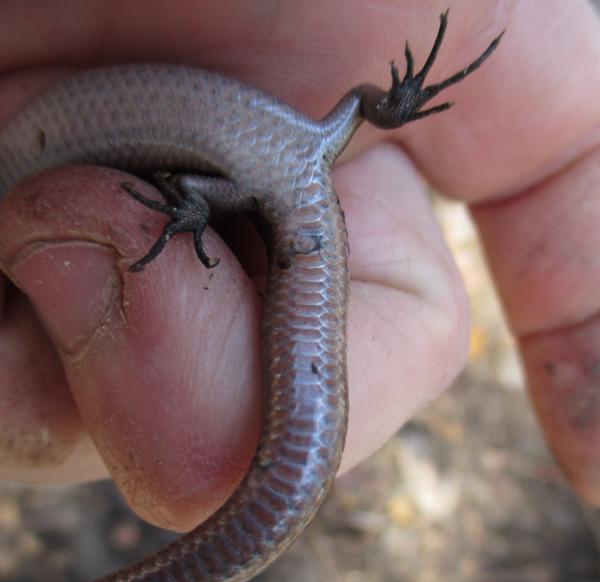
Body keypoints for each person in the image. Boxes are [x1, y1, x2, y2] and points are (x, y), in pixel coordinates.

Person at [0, 0, 598, 531]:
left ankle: (189, 203)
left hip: (281, 164)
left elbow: (361, 99)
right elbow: (361, 99)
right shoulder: (310, 146)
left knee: (175, 212)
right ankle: (190, 202)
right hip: (297, 151)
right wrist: (385, 108)